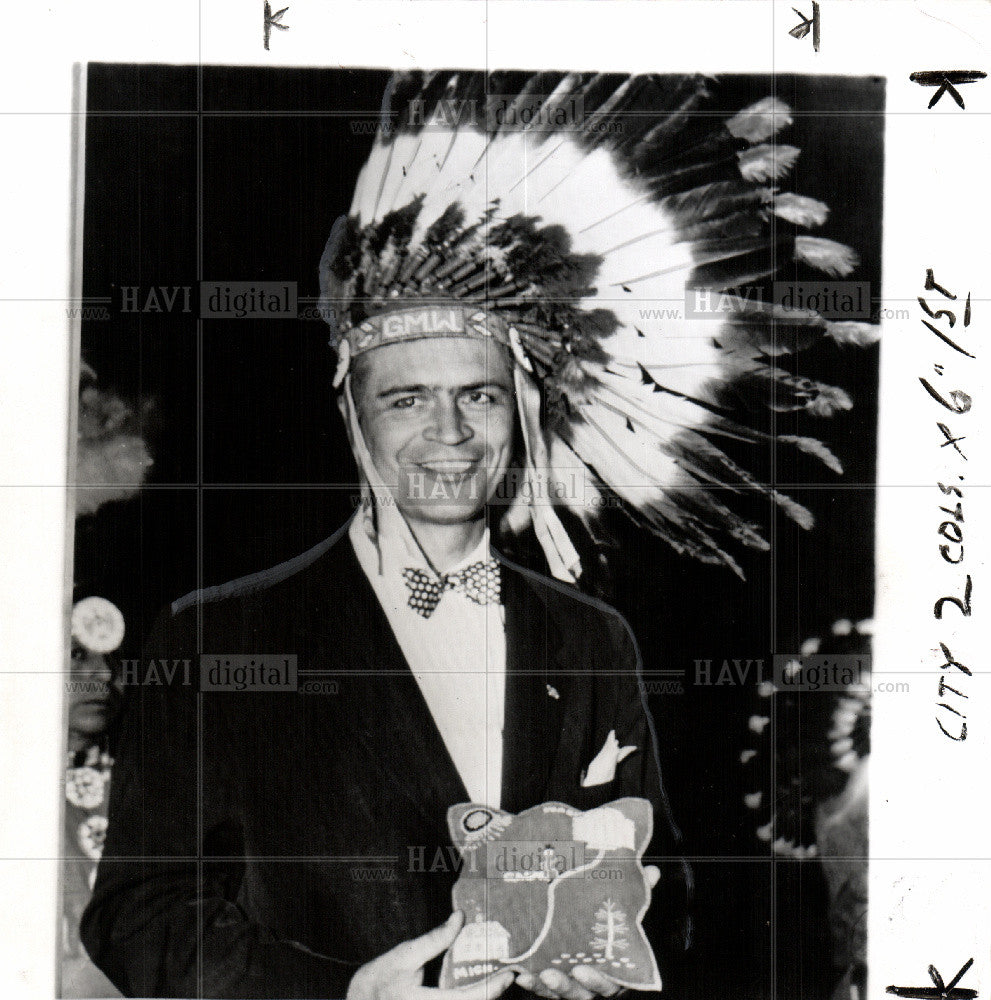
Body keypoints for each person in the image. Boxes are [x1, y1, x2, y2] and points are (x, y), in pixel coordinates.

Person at [83, 71, 873, 1000]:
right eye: (407, 399)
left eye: (479, 396)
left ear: (524, 419)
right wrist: (343, 995)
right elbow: (138, 914)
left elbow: (669, 883)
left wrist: (610, 933)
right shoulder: (219, 638)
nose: (449, 434)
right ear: (353, 422)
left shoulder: (590, 639)